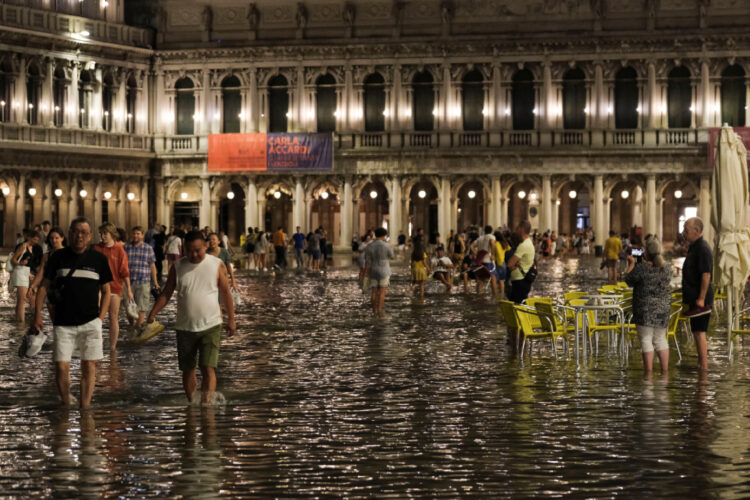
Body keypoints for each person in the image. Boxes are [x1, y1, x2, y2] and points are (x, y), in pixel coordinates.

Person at [146, 230, 236, 404]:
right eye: (189, 250)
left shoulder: (217, 265)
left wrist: (231, 319)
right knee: (188, 370)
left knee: (207, 367)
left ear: (205, 246)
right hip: (184, 327)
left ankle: (206, 406)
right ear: (184, 249)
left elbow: (226, 293)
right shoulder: (178, 266)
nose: (194, 254)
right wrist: (153, 313)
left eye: (198, 250)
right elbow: (166, 293)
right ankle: (192, 405)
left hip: (211, 324)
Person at [33, 217, 113, 408]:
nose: (79, 236)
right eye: (75, 232)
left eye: (84, 233)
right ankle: (67, 402)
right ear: (69, 234)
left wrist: (100, 319)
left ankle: (85, 407)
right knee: (61, 366)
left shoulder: (99, 259)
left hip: (90, 322)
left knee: (89, 366)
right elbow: (44, 288)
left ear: (90, 236)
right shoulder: (57, 258)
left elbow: (107, 291)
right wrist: (37, 314)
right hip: (63, 322)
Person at [623, 238, 673, 377]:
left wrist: (632, 263)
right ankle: (664, 373)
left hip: (644, 309)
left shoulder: (641, 268)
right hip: (663, 309)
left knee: (646, 339)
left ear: (645, 253)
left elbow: (628, 281)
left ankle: (649, 374)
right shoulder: (667, 268)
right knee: (661, 339)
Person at [94, 223, 133, 353]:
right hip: (98, 287)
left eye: (105, 233)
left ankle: (112, 347)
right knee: (97, 316)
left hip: (115, 288)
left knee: (113, 317)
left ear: (112, 234)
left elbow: (124, 271)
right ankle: (99, 340)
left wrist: (129, 290)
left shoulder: (119, 250)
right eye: (101, 234)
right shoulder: (96, 248)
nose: (102, 236)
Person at [681, 217, 713, 372]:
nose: (683, 233)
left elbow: (706, 275)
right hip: (694, 297)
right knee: (696, 331)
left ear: (697, 231)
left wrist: (701, 298)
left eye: (686, 230)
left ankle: (704, 367)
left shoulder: (702, 248)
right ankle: (701, 363)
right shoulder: (694, 247)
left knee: (700, 332)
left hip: (701, 299)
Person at [28, 227, 66, 322]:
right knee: (55, 321)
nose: (54, 240)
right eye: (51, 238)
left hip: (64, 289)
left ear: (62, 238)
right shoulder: (47, 255)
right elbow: (41, 273)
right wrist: (32, 286)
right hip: (50, 289)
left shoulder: (67, 253)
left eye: (56, 238)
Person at [124, 226, 160, 328]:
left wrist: (155, 282)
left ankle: (138, 330)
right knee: (128, 308)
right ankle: (132, 326)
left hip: (143, 282)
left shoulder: (148, 248)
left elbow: (152, 266)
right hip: (129, 283)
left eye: (138, 233)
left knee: (141, 308)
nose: (135, 236)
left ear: (142, 235)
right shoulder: (126, 248)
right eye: (134, 233)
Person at [10, 230, 43, 324]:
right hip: (21, 273)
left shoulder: (34, 247)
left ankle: (19, 320)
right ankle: (21, 324)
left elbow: (36, 263)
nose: (36, 241)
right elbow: (13, 260)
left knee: (29, 298)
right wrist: (21, 262)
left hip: (28, 273)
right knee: (22, 299)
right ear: (29, 237)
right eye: (34, 239)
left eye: (37, 240)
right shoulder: (23, 246)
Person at [364, 227, 394, 316]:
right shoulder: (386, 245)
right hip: (384, 270)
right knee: (382, 291)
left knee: (374, 291)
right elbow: (392, 256)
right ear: (384, 236)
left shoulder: (369, 245)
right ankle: (380, 311)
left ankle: (374, 311)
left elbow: (367, 260)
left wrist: (366, 273)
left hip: (373, 269)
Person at [506, 220, 534, 304]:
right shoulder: (529, 242)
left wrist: (514, 265)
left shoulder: (523, 246)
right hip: (523, 280)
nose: (515, 230)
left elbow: (510, 264)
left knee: (516, 307)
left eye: (517, 228)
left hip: (519, 281)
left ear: (521, 229)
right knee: (521, 306)